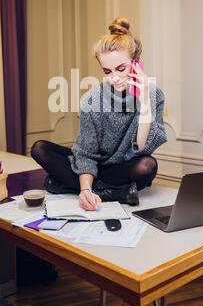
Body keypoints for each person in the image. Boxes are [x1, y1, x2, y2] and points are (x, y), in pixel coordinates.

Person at [31, 17, 167, 211]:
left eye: (121, 69)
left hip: (123, 169)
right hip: (95, 167)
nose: (115, 78)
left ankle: (64, 185)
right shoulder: (91, 100)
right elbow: (86, 154)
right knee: (40, 148)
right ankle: (116, 192)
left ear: (136, 64)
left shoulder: (155, 96)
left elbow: (141, 149)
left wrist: (145, 102)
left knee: (147, 166)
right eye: (107, 71)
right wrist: (86, 189)